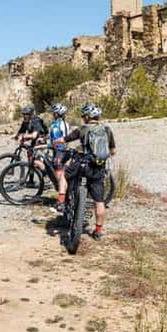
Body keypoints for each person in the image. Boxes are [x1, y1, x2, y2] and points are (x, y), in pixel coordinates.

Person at [56, 103, 116, 241]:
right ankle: (98, 231)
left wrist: (54, 143)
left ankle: (60, 200)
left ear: (88, 117)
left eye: (83, 116)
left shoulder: (82, 129)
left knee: (64, 174)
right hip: (98, 169)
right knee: (99, 201)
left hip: (84, 165)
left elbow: (63, 140)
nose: (83, 118)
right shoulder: (107, 129)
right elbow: (113, 151)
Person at [47, 102, 70, 213]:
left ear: (58, 113)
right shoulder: (54, 123)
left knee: (60, 176)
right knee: (56, 173)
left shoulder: (63, 124)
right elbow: (50, 136)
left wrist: (57, 146)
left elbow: (65, 139)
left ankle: (62, 201)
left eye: (54, 113)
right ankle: (62, 195)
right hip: (55, 150)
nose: (53, 114)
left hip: (61, 151)